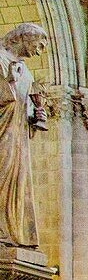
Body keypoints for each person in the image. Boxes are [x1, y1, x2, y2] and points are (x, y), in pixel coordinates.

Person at [0, 23, 48, 248]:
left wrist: (37, 112)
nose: (39, 51)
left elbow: (26, 107)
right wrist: (8, 82)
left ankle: (13, 232)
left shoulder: (26, 72)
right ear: (23, 38)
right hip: (3, 133)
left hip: (18, 135)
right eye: (38, 44)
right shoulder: (1, 58)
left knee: (18, 183)